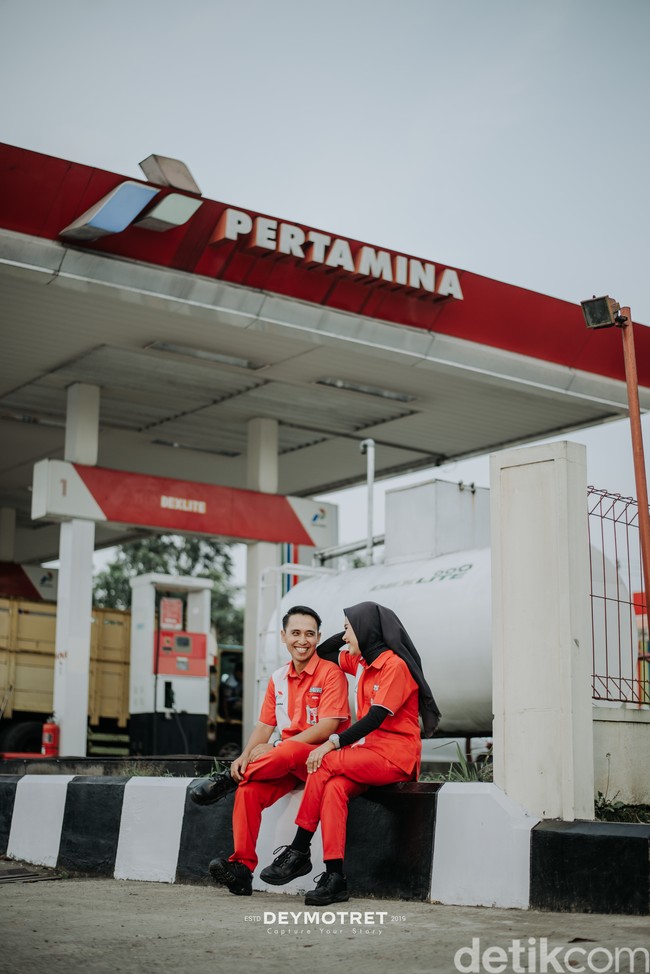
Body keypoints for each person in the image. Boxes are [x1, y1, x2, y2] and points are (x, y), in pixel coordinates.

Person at [258, 600, 441, 906]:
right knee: (333, 790)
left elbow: (374, 720)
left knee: (323, 763)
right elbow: (325, 652)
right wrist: (353, 629)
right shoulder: (362, 663)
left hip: (394, 757)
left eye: (347, 630)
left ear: (366, 630)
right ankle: (335, 878)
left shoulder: (395, 667)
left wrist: (332, 742)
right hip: (366, 756)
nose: (343, 638)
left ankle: (299, 848)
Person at [190, 604, 350, 897]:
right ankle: (241, 868)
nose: (303, 641)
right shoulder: (277, 678)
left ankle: (227, 778)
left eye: (310, 634)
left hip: (321, 758)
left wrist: (278, 746)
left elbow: (328, 727)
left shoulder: (331, 674)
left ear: (318, 637)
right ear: (283, 636)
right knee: (249, 791)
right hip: (285, 764)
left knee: (285, 749)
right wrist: (243, 757)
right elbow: (265, 726)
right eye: (296, 633)